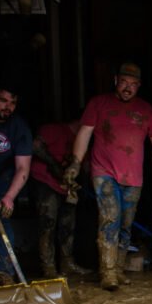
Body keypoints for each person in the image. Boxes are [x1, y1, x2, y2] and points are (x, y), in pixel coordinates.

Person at [63, 62, 152, 291]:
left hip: (133, 177)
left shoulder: (145, 110)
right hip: (104, 172)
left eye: (134, 84)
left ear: (139, 86)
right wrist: (76, 163)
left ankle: (117, 269)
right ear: (116, 80)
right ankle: (107, 273)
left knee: (125, 224)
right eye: (125, 82)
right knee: (110, 218)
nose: (128, 88)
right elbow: (84, 134)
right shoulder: (98, 104)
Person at [0, 83, 32, 285]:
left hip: (3, 178)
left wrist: (10, 197)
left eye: (13, 103)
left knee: (1, 219)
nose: (8, 107)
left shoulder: (19, 127)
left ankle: (5, 275)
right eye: (3, 100)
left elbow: (23, 168)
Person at [30, 119, 91, 277]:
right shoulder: (54, 129)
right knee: (47, 224)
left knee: (67, 226)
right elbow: (35, 145)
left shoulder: (85, 141)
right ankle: (48, 267)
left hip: (68, 187)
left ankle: (67, 264)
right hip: (46, 182)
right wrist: (54, 165)